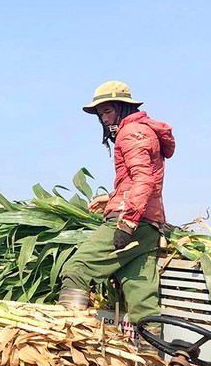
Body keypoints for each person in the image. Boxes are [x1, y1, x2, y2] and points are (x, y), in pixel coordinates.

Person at [59, 81, 175, 327]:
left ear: (123, 108)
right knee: (142, 299)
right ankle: (150, 359)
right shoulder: (141, 130)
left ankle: (67, 340)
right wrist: (112, 198)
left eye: (108, 111)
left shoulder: (131, 132)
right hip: (150, 225)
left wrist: (126, 224)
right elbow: (139, 179)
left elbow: (144, 178)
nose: (103, 119)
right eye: (100, 114)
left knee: (76, 269)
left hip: (134, 221)